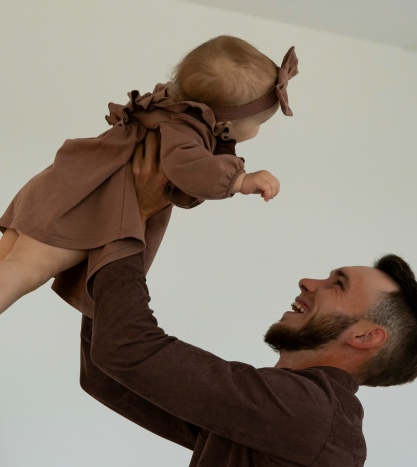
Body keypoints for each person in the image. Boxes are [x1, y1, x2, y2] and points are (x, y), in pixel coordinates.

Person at [79, 136, 417, 467]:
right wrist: (136, 219)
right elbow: (107, 375)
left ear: (365, 336)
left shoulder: (309, 413)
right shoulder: (284, 418)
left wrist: (132, 215)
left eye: (338, 285)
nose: (308, 282)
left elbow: (125, 348)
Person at [0, 35, 298, 317]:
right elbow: (190, 168)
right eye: (258, 124)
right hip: (81, 207)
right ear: (225, 125)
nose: (258, 131)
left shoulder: (167, 105)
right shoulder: (184, 131)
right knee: (23, 271)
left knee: (8, 261)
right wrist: (240, 180)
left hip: (59, 185)